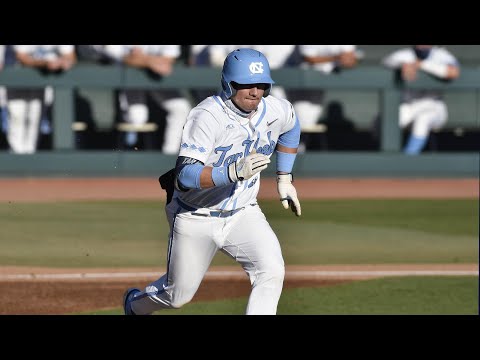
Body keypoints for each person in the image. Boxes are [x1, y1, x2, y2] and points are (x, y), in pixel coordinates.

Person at [123, 48, 302, 315]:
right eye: (246, 85)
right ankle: (135, 306)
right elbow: (185, 175)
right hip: (195, 216)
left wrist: (284, 178)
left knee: (271, 271)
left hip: (243, 213)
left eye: (262, 84)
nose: (255, 91)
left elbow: (291, 125)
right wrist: (231, 173)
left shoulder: (274, 109)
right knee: (177, 296)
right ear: (229, 84)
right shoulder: (207, 115)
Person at [100, 45, 192, 153]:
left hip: (156, 79)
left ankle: (169, 156)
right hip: (128, 79)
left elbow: (168, 60)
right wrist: (149, 60)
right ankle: (128, 158)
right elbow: (120, 55)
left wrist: (142, 58)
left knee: (181, 108)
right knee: (137, 115)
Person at [382, 45, 460, 155]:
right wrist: (403, 65)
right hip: (409, 105)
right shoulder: (405, 54)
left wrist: (421, 64)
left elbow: (453, 72)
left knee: (423, 119)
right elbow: (387, 62)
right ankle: (385, 159)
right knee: (387, 120)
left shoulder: (440, 55)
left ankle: (408, 159)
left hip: (434, 106)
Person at [288, 45, 361, 151]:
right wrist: (337, 58)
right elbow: (309, 57)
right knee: (297, 123)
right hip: (298, 83)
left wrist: (347, 59)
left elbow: (350, 58)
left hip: (320, 83)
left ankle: (297, 156)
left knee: (307, 123)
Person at [5, 45, 76, 154]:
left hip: (42, 81)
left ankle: (29, 159)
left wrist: (63, 62)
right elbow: (21, 56)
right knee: (17, 118)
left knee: (35, 119)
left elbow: (70, 56)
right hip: (17, 80)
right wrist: (45, 63)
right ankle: (17, 159)